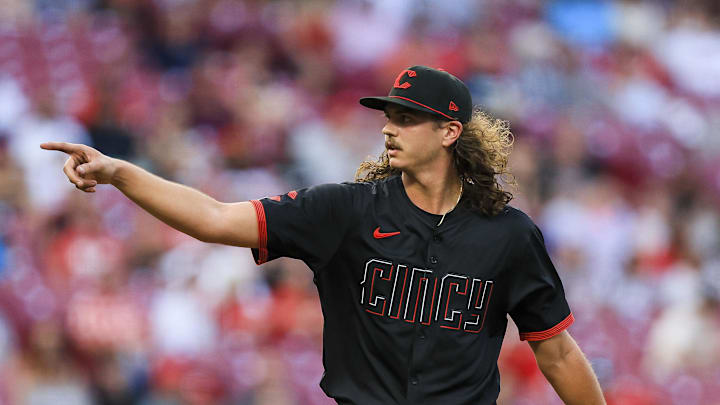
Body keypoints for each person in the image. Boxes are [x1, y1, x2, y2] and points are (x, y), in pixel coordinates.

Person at [42, 65, 606, 405]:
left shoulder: (508, 236)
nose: (389, 126)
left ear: (449, 132)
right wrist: (121, 172)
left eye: (408, 118)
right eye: (389, 115)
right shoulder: (345, 210)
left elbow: (555, 353)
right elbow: (215, 218)